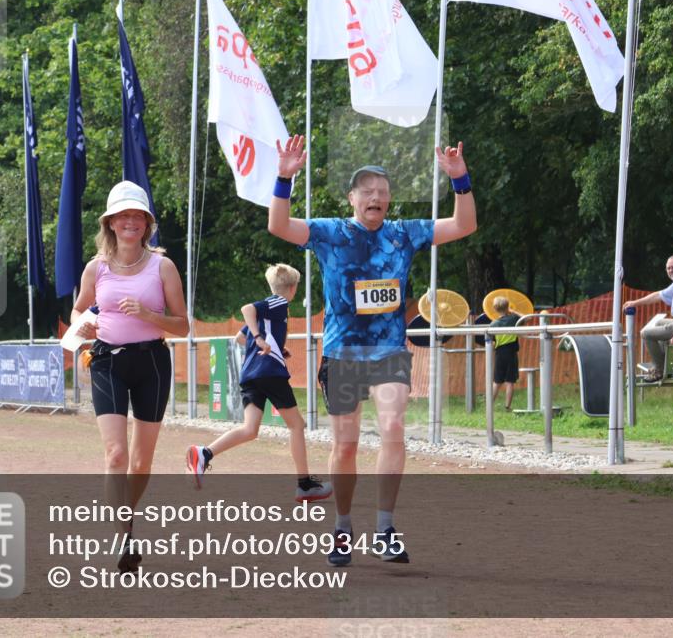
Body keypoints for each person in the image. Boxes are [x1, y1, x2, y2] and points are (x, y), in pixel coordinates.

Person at [267, 135, 477, 566]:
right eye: (366, 191)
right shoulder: (330, 233)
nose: (375, 197)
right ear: (352, 198)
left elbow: (464, 225)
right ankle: (343, 527)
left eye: (382, 191)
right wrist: (284, 178)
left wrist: (460, 179)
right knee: (345, 445)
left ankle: (384, 529)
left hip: (388, 351)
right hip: (343, 353)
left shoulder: (403, 234)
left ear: (389, 200)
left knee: (393, 426)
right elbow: (279, 226)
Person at [71, 181, 189, 572]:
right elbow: (78, 311)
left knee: (140, 463)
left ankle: (124, 519)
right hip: (107, 361)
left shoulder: (163, 266)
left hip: (152, 362)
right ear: (110, 222)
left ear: (147, 224)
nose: (131, 222)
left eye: (138, 216)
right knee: (116, 455)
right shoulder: (96, 267)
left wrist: (148, 314)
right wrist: (84, 325)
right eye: (123, 216)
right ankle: (123, 537)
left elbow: (183, 325)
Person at [185, 263, 333, 502]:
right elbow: (247, 309)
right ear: (293, 288)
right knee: (297, 425)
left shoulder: (268, 313)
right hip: (270, 373)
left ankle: (204, 453)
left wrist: (274, 346)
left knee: (250, 429)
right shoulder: (279, 303)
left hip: (251, 375)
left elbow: (239, 338)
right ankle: (305, 485)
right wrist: (260, 339)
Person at [489, 296, 521, 410]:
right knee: (510, 381)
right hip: (511, 353)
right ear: (508, 307)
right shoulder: (514, 319)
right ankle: (507, 406)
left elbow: (492, 341)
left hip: (499, 353)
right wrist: (512, 311)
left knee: (497, 381)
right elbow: (526, 318)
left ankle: (489, 405)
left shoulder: (493, 324)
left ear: (495, 309)